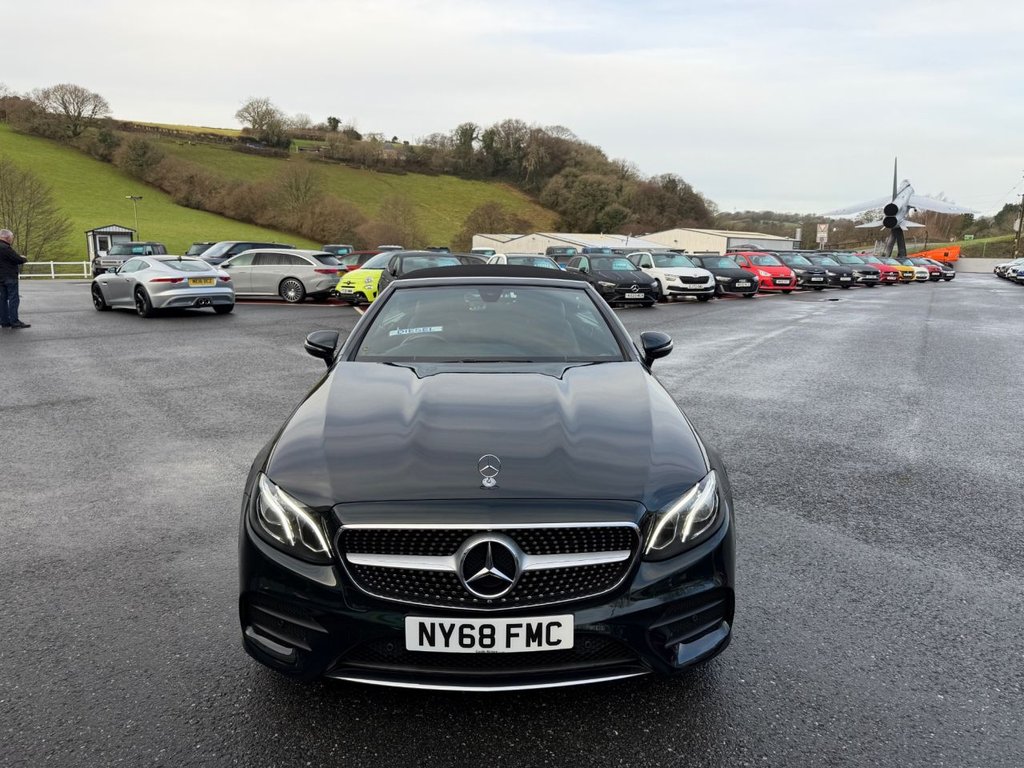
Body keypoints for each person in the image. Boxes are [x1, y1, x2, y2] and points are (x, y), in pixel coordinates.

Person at [0, 228, 30, 329]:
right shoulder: (6, 248)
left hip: (0, 278)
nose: (12, 239)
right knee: (13, 299)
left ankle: (4, 321)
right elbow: (17, 259)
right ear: (7, 237)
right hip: (10, 277)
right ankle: (14, 321)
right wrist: (24, 258)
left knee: (2, 299)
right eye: (11, 238)